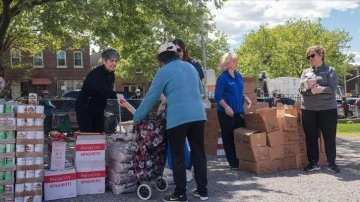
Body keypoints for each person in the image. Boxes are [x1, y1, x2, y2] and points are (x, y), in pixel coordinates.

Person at [133, 42, 208, 202]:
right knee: (199, 153)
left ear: (161, 59)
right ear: (176, 54)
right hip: (198, 115)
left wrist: (137, 116)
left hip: (178, 118)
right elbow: (200, 90)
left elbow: (151, 96)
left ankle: (180, 194)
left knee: (178, 155)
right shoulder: (191, 67)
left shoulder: (163, 72)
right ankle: (203, 191)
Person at [300, 45, 340, 173]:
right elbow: (300, 90)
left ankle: (332, 163)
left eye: (312, 55)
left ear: (321, 55)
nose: (310, 58)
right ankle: (313, 162)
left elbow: (333, 89)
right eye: (308, 57)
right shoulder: (306, 72)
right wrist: (309, 88)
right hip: (308, 109)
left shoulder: (330, 70)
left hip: (327, 109)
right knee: (310, 136)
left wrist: (321, 89)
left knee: (329, 136)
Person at [214, 52, 251, 170]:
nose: (237, 62)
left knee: (240, 135)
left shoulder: (238, 75)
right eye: (234, 60)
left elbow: (239, 91)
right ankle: (233, 163)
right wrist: (226, 107)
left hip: (239, 111)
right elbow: (217, 96)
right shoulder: (223, 78)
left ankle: (241, 159)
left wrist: (245, 98)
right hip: (226, 112)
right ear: (227, 63)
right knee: (228, 137)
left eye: (236, 60)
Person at [75, 48, 122, 133]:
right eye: (111, 61)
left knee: (99, 133)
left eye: (116, 61)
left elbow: (106, 92)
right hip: (85, 109)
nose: (114, 63)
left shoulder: (111, 75)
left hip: (98, 109)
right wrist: (117, 95)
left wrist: (117, 96)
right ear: (104, 61)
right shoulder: (96, 74)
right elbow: (103, 90)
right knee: (89, 136)